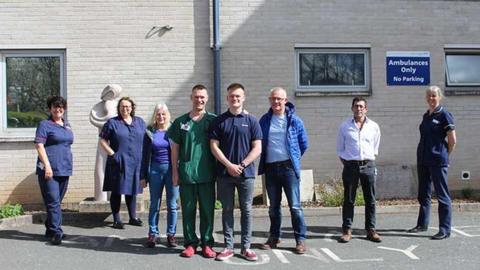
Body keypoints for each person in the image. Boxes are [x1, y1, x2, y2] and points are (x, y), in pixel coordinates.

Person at [210, 83, 262, 261]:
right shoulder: (219, 120)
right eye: (232, 96)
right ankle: (228, 246)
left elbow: (257, 148)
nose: (235, 99)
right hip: (224, 174)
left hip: (246, 175)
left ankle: (246, 247)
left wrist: (242, 164)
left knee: (246, 210)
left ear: (243, 98)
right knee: (227, 210)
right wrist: (229, 165)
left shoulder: (252, 121)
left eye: (238, 96)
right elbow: (213, 146)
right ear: (227, 98)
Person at [167, 84, 217, 258]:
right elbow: (174, 149)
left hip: (207, 174)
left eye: (202, 97)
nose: (199, 100)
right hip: (187, 174)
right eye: (196, 97)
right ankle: (190, 243)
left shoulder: (213, 120)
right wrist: (174, 172)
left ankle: (207, 243)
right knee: (188, 211)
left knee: (207, 211)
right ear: (191, 98)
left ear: (207, 98)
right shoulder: (181, 122)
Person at [258, 87, 308, 254]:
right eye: (273, 99)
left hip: (288, 169)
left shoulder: (295, 120)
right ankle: (274, 237)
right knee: (273, 207)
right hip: (271, 168)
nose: (276, 102)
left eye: (279, 99)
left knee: (295, 206)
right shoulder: (264, 120)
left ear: (285, 100)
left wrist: (293, 158)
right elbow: (259, 142)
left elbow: (303, 144)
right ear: (269, 100)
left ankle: (300, 239)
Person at [408, 85, 456, 240]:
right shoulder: (426, 115)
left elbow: (452, 140)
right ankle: (422, 224)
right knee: (423, 194)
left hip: (437, 160)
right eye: (428, 96)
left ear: (439, 97)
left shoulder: (445, 115)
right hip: (423, 159)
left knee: (442, 196)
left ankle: (444, 229)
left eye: (434, 96)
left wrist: (445, 155)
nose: (431, 98)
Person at [337, 97, 381, 243]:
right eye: (356, 106)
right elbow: (340, 150)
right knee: (349, 200)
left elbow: (375, 147)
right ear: (352, 108)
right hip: (350, 166)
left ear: (366, 109)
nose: (359, 109)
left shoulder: (374, 126)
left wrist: (367, 160)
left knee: (371, 200)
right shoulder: (344, 127)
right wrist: (349, 163)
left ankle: (371, 230)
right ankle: (347, 230)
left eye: (361, 106)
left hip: (368, 165)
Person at [99, 97, 146, 229]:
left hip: (136, 162)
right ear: (119, 108)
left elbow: (147, 138)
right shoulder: (112, 123)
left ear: (132, 108)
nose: (125, 109)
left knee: (132, 189)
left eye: (128, 106)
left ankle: (133, 217)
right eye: (122, 106)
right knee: (117, 190)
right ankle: (117, 219)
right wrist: (112, 154)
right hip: (119, 161)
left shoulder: (140, 122)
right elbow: (102, 140)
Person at [34, 96, 74, 245]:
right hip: (48, 170)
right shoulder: (45, 124)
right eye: (55, 107)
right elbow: (39, 145)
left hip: (65, 168)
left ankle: (50, 228)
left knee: (57, 201)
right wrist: (48, 166)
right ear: (50, 108)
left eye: (61, 107)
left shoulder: (66, 125)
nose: (58, 109)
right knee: (53, 202)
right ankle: (57, 232)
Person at [141, 103, 179, 248]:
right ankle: (153, 234)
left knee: (172, 205)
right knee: (154, 204)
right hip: (155, 170)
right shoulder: (150, 132)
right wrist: (143, 175)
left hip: (171, 170)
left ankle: (171, 235)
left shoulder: (173, 130)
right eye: (158, 114)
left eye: (163, 114)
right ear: (154, 116)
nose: (161, 117)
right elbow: (144, 155)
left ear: (167, 115)